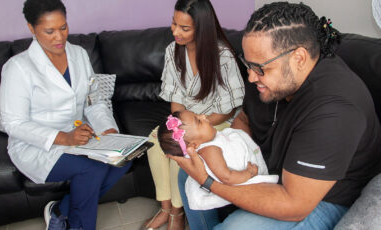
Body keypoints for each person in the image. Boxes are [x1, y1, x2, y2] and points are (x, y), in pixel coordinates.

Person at [171, 2, 381, 230]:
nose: (251, 77)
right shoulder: (267, 73)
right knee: (187, 174)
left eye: (259, 68)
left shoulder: (335, 108)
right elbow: (245, 118)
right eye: (247, 64)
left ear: (298, 58)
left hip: (322, 198)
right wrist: (232, 154)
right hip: (276, 170)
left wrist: (209, 180)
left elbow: (294, 204)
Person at [0, 0, 131, 229]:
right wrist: (64, 137)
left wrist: (108, 130)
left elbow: (94, 101)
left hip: (80, 135)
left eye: (63, 28)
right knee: (92, 167)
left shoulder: (79, 54)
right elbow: (15, 124)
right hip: (38, 144)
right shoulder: (17, 68)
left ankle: (61, 209)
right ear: (31, 28)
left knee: (125, 158)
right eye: (49, 31)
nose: (59, 37)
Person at [145, 0, 245, 229]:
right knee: (155, 141)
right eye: (173, 24)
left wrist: (196, 128)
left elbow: (228, 107)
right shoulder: (173, 51)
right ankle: (165, 208)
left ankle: (177, 215)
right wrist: (180, 126)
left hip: (215, 120)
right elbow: (176, 98)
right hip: (188, 119)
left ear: (202, 29)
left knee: (179, 151)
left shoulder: (223, 56)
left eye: (184, 28)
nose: (175, 32)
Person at [158, 111, 278, 211]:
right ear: (195, 145)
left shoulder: (208, 141)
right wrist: (249, 173)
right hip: (241, 180)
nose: (204, 116)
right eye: (199, 121)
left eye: (198, 114)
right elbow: (227, 177)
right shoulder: (209, 151)